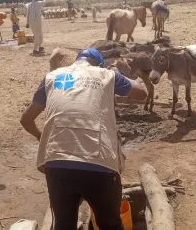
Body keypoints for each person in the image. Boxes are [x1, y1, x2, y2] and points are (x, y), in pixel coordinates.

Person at [20, 48, 147, 230]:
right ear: (98, 64)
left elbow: (26, 119)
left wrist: (43, 138)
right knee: (110, 223)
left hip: (56, 164)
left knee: (63, 225)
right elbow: (142, 92)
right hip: (99, 163)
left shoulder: (52, 77)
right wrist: (117, 75)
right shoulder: (107, 75)